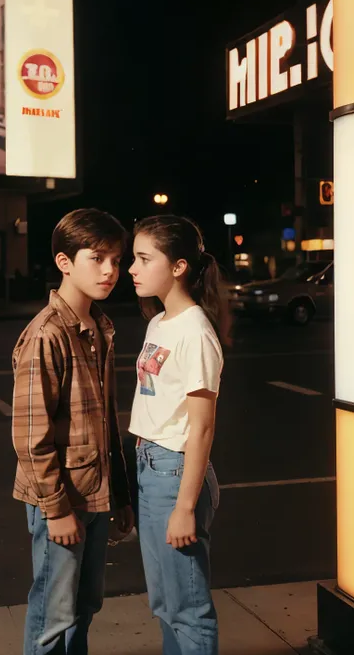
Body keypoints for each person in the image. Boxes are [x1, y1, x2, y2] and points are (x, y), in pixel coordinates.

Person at [12, 208, 134, 655]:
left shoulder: (98, 328)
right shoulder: (47, 334)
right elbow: (31, 437)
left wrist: (119, 494)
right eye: (97, 258)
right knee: (53, 615)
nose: (110, 270)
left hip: (95, 494)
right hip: (62, 499)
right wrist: (57, 509)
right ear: (65, 262)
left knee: (85, 606)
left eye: (117, 260)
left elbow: (105, 423)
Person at [128, 215, 231, 655]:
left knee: (188, 611)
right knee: (166, 604)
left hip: (175, 475)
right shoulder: (159, 322)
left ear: (178, 267)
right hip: (150, 468)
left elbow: (202, 426)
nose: (131, 268)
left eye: (143, 258)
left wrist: (186, 506)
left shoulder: (195, 331)